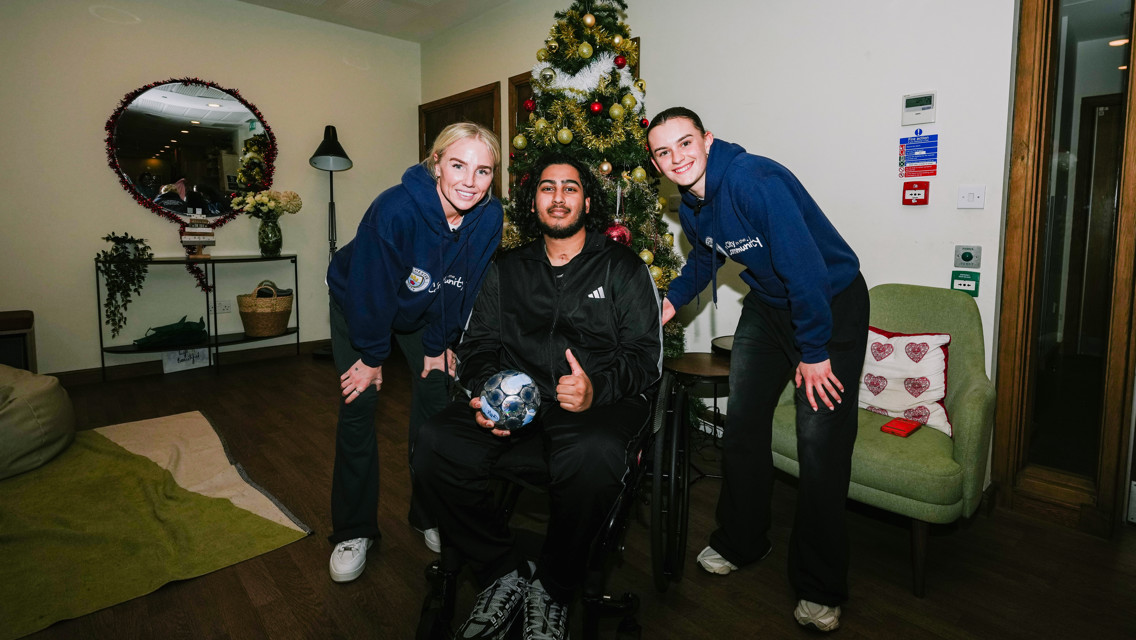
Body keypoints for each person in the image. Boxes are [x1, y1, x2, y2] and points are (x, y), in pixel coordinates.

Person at [411, 154, 662, 640]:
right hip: (519, 400)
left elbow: (645, 356)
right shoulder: (505, 269)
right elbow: (478, 345)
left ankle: (553, 586)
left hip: (595, 402)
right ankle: (500, 571)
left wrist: (597, 387)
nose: (559, 197)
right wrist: (492, 392)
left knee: (592, 456)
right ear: (535, 201)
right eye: (548, 188)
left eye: (570, 188)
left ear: (588, 202)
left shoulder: (623, 269)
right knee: (436, 442)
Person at [646, 107, 869, 633]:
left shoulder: (755, 182)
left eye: (684, 144)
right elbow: (704, 260)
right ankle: (742, 540)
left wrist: (814, 352)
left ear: (707, 139)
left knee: (821, 443)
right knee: (742, 426)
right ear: (655, 161)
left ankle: (820, 585)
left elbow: (807, 270)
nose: (676, 158)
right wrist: (669, 303)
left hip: (828, 304)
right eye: (662, 152)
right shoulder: (695, 204)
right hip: (770, 307)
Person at [324, 122, 503, 583]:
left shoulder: (488, 217)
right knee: (359, 401)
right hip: (359, 304)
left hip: (426, 309)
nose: (469, 180)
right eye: (458, 165)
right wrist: (370, 356)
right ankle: (353, 528)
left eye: (483, 171)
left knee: (437, 393)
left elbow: (465, 286)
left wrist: (436, 346)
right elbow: (371, 291)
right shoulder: (396, 209)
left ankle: (428, 513)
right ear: (436, 163)